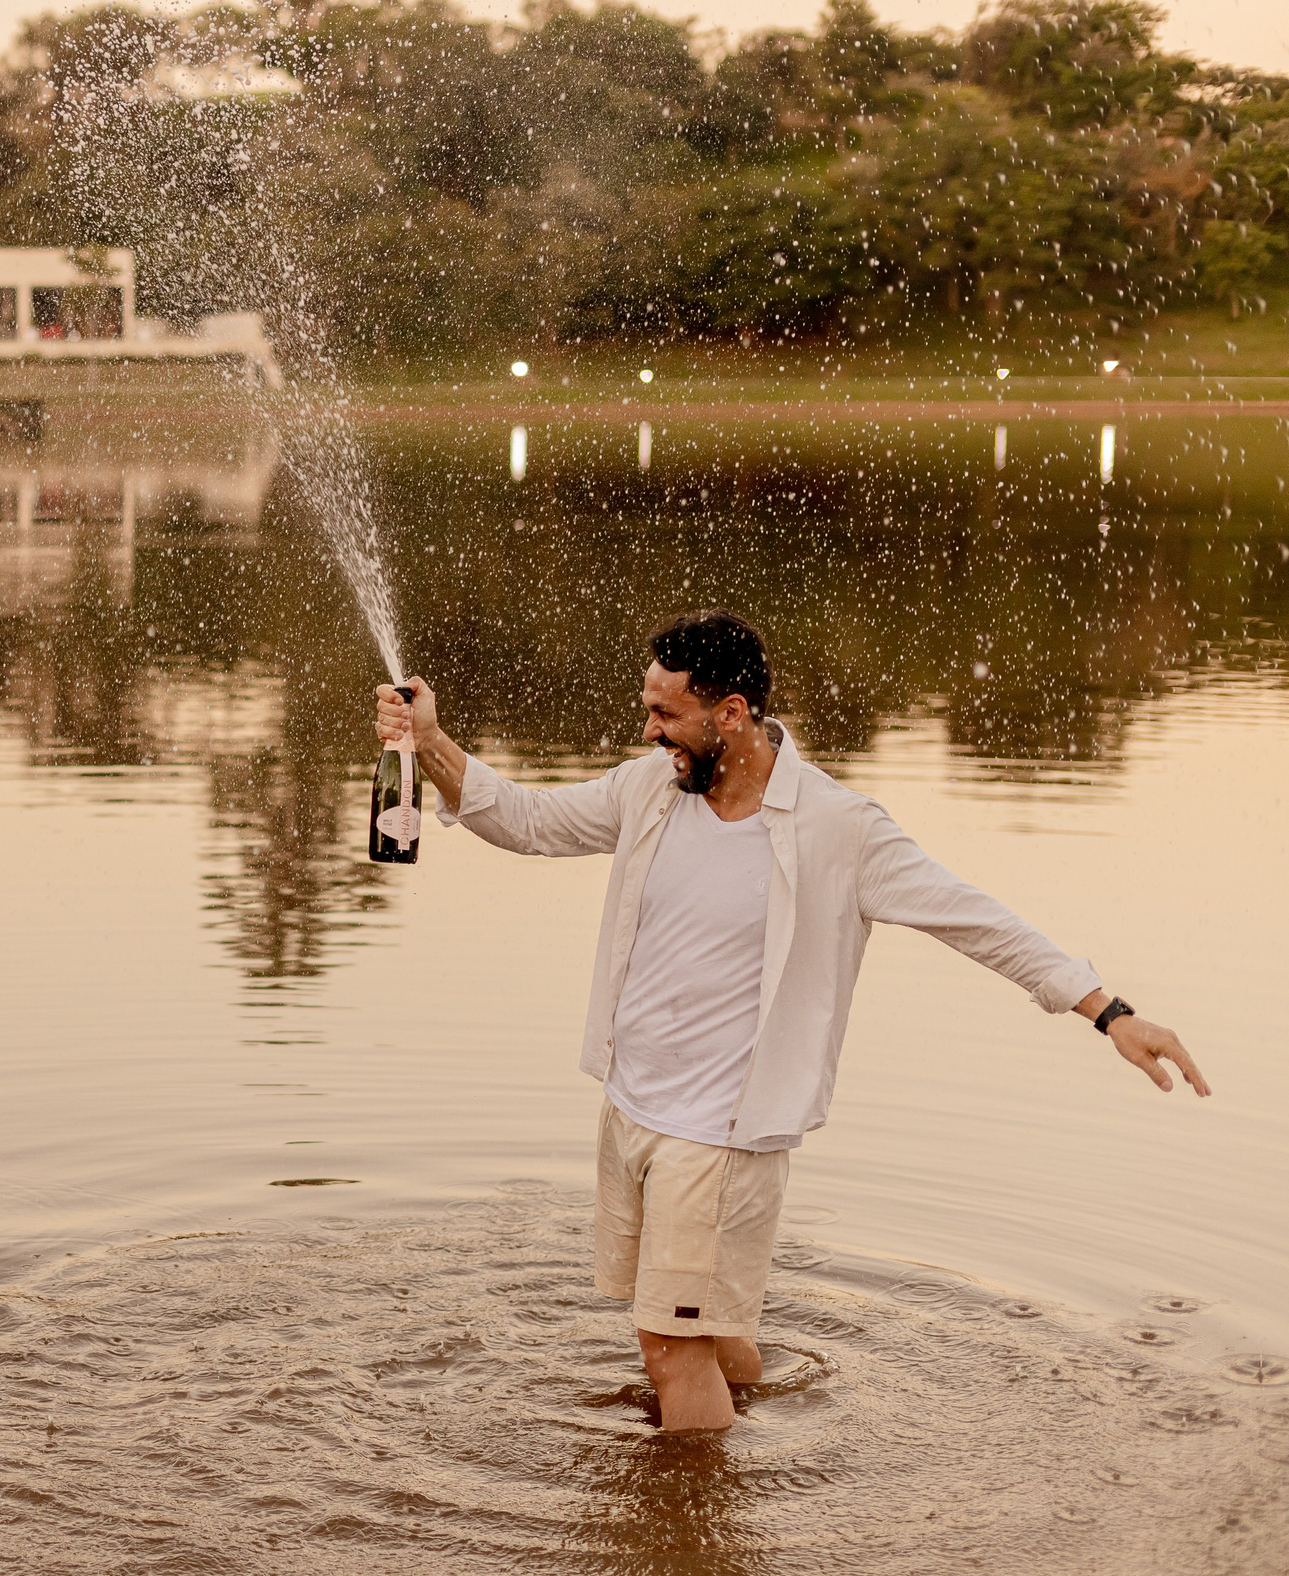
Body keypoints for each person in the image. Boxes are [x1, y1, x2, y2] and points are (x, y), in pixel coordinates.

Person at [374, 611, 1208, 1433]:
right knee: (705, 1331)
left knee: (668, 1344)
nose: (650, 728)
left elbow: (975, 919)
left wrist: (1109, 1012)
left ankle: (691, 1542)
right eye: (649, 707)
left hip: (721, 1135)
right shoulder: (650, 790)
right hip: (633, 1110)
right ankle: (745, 1448)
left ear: (729, 713)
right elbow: (526, 821)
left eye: (666, 713)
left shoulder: (839, 829)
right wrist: (433, 741)